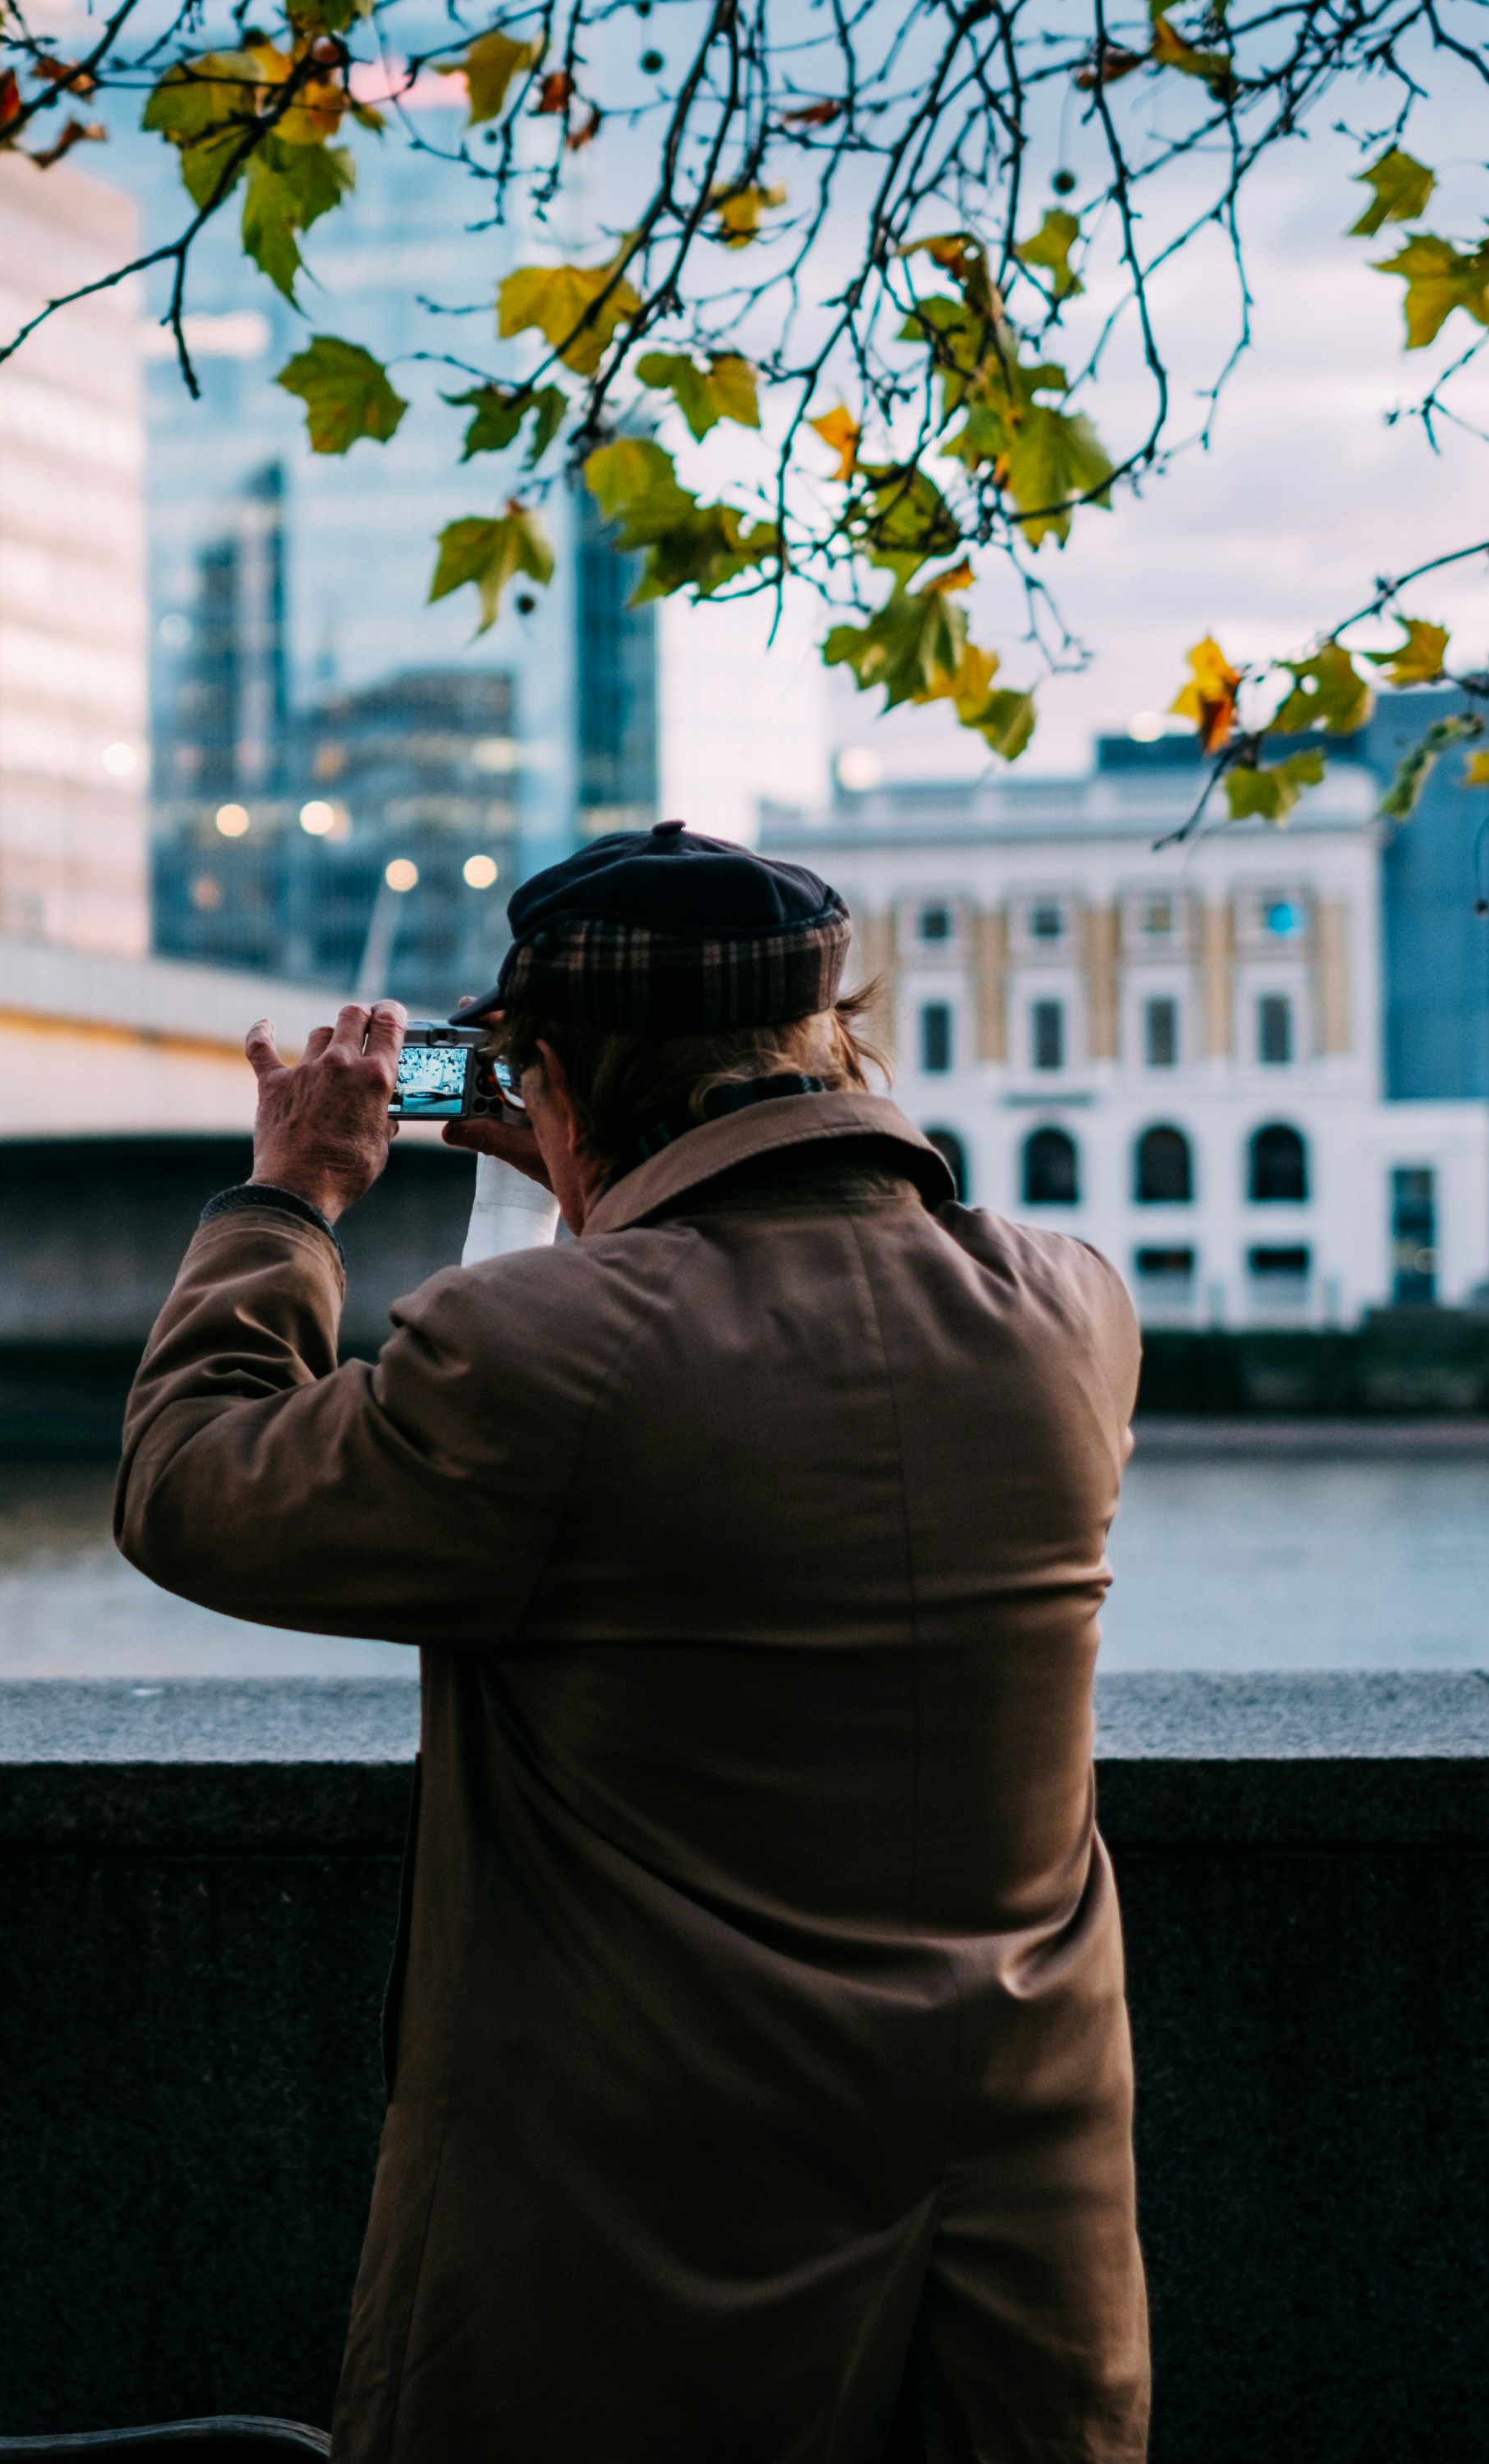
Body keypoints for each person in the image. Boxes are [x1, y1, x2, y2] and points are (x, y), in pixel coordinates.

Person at [114, 821, 1151, 2464]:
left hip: (645, 2248)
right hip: (1018, 2236)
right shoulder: (1071, 1311)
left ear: (549, 1069)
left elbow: (190, 1487)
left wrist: (291, 1193)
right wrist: (611, 1186)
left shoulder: (543, 1347)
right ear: (831, 1038)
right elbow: (755, 1364)